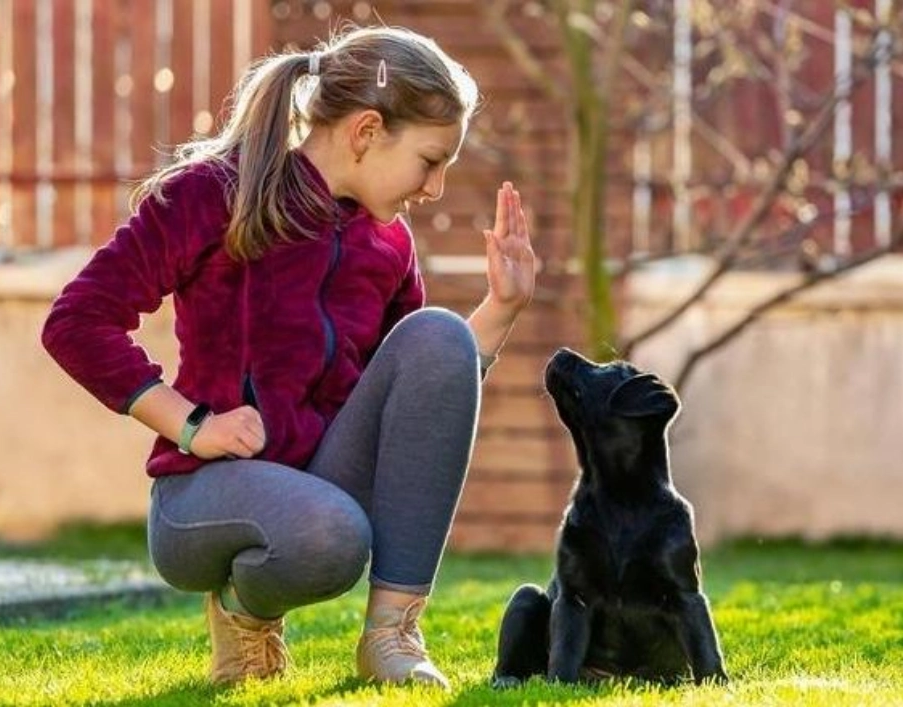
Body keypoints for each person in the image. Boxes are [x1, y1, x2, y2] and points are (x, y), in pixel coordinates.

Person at [41, 25, 535, 690]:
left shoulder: (387, 241)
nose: (437, 188)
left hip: (325, 479)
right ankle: (242, 610)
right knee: (330, 534)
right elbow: (76, 321)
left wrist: (500, 307)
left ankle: (392, 634)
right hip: (204, 493)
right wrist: (191, 423)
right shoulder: (211, 193)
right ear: (365, 131)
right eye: (430, 160)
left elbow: (420, 394)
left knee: (439, 333)